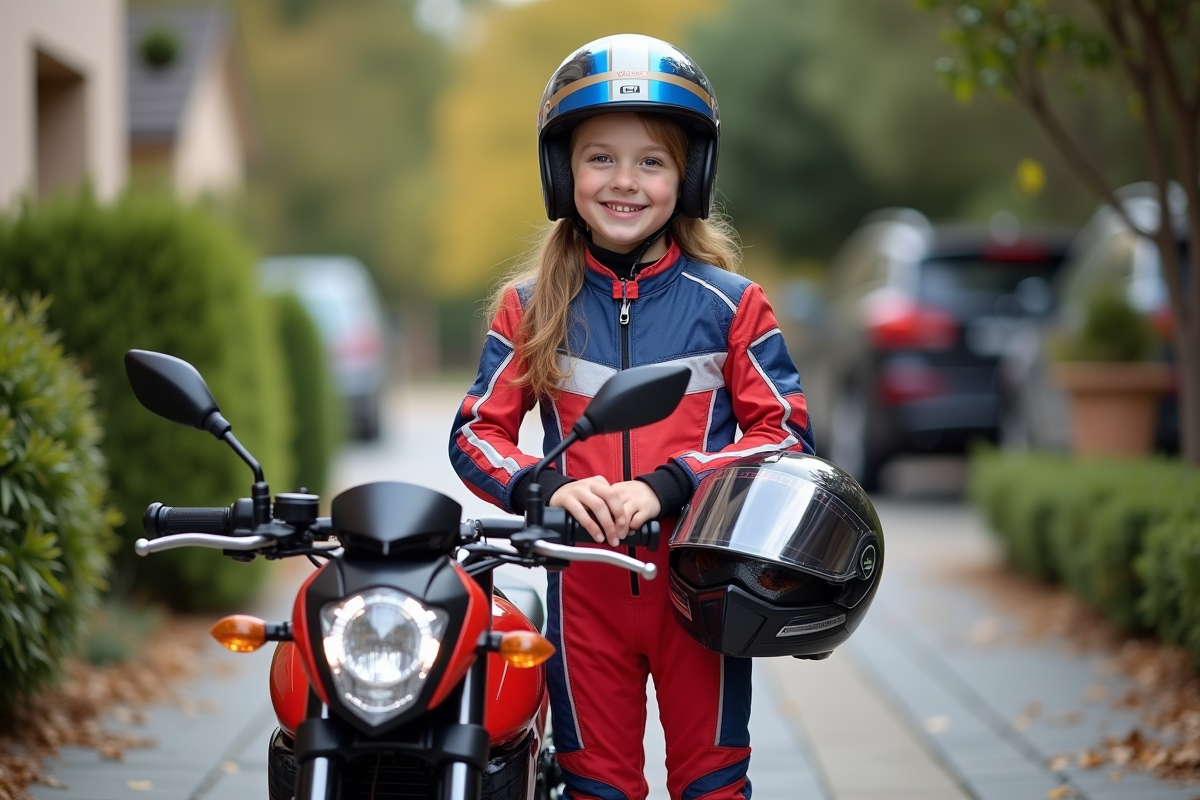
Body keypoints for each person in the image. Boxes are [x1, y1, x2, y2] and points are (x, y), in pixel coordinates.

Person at [449, 33, 815, 800]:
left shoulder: (733, 305)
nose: (625, 181)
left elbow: (782, 437)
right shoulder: (528, 307)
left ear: (690, 176)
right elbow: (476, 435)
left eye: (651, 160)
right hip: (581, 591)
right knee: (597, 790)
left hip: (701, 587)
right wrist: (543, 489)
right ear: (561, 171)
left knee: (714, 784)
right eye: (599, 158)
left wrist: (673, 482)